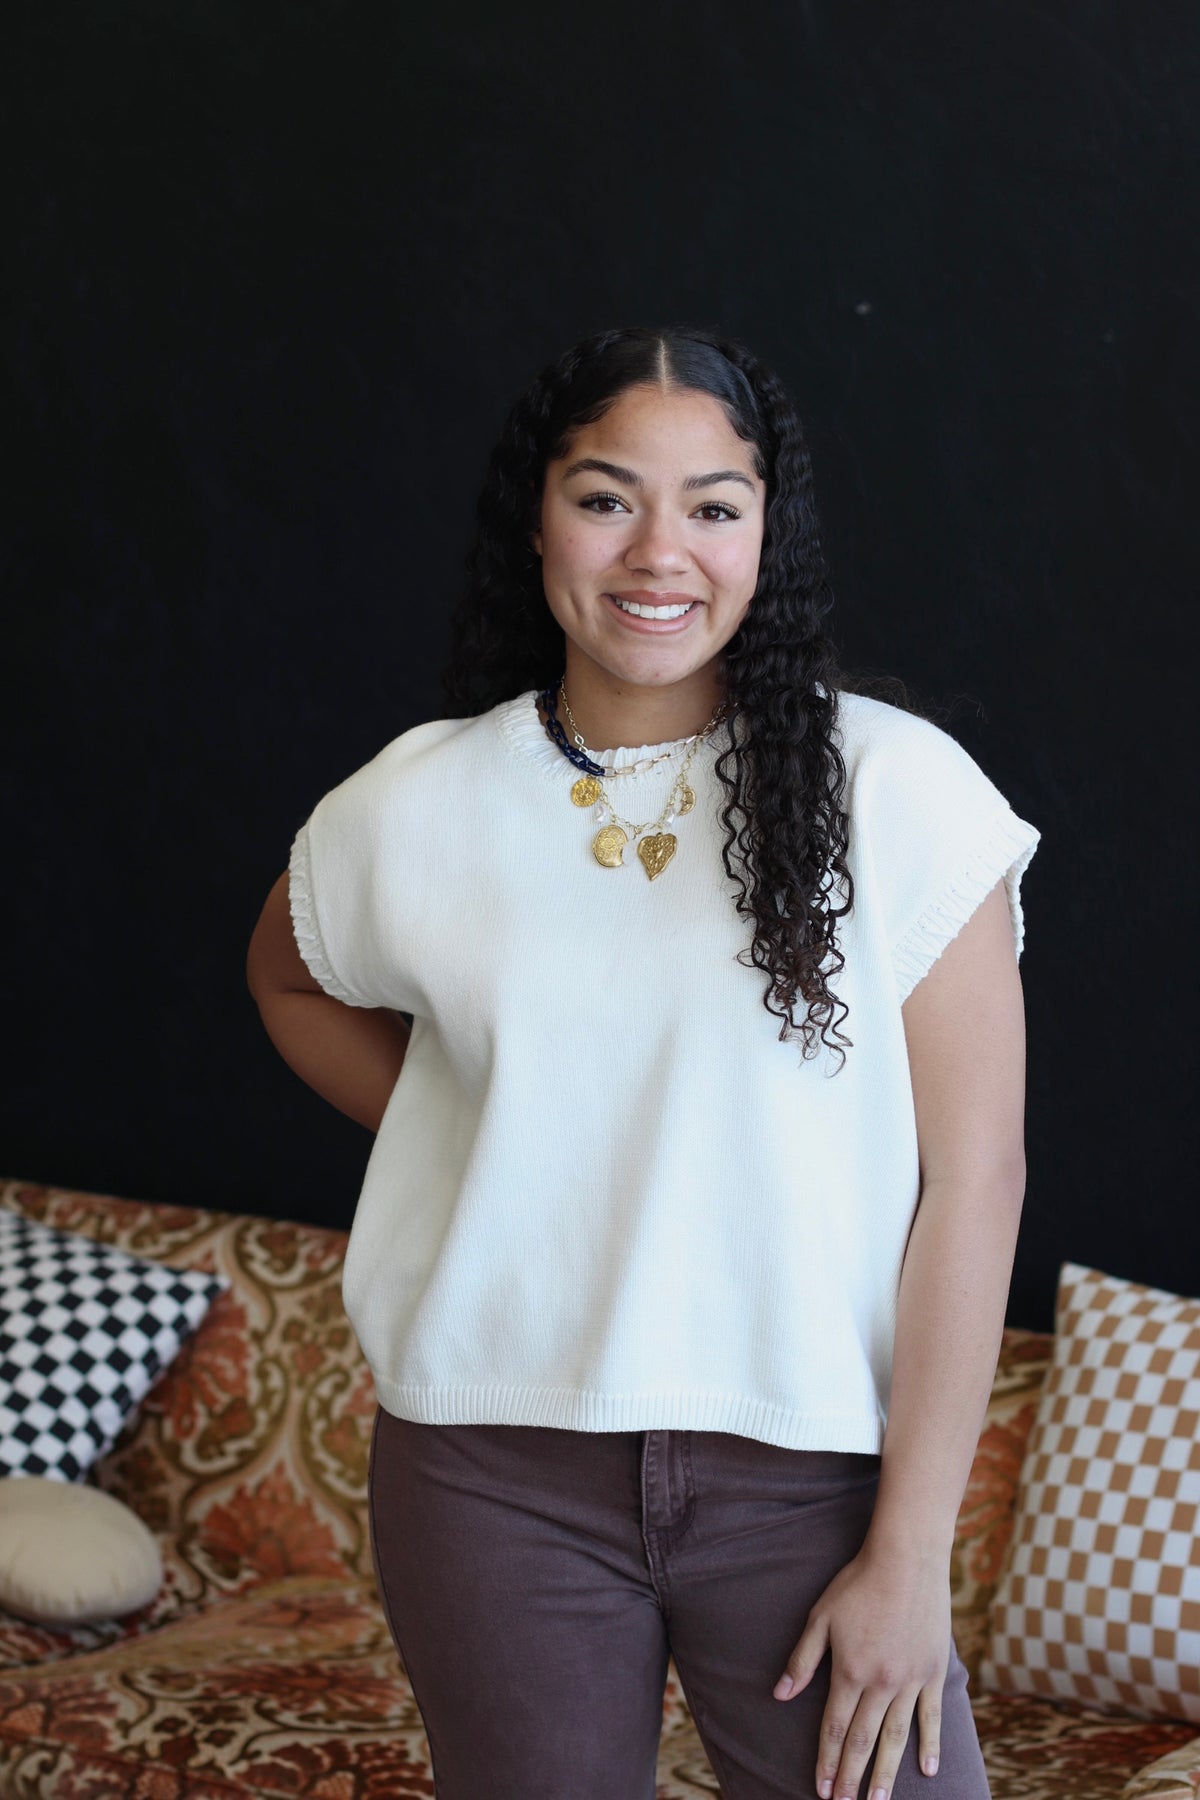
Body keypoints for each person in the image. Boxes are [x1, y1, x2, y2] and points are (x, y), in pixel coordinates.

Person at [246, 324, 1040, 1800]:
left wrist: (911, 1555)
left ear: (765, 534)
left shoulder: (902, 792)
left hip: (807, 1480)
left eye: (714, 506)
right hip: (489, 1480)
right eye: (608, 497)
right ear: (536, 516)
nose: (659, 552)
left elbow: (975, 1177)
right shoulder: (415, 801)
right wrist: (481, 1132)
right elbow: (285, 976)